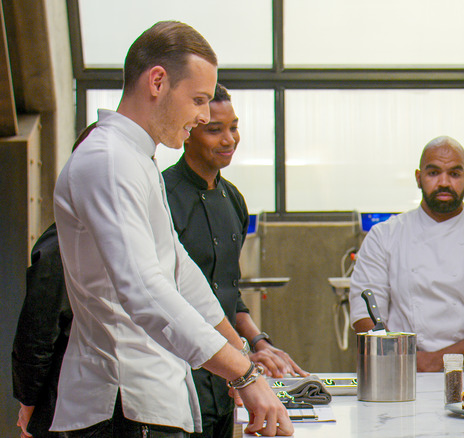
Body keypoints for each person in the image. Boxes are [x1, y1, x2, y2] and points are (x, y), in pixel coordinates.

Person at [51, 21, 291, 437]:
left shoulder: (136, 158)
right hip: (120, 405)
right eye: (198, 100)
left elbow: (179, 270)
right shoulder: (109, 160)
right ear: (158, 81)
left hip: (147, 402)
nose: (202, 115)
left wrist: (242, 354)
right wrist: (243, 375)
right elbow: (144, 290)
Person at [163, 84, 307, 438]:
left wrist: (260, 343)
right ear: (187, 131)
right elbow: (167, 298)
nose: (229, 139)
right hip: (178, 376)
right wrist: (241, 356)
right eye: (215, 130)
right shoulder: (162, 196)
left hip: (229, 380)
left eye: (234, 127)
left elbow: (228, 293)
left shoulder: (234, 201)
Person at [349, 136, 464, 372]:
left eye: (454, 174)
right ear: (418, 177)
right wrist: (403, 359)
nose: (444, 183)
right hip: (404, 370)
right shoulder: (384, 235)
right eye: (433, 173)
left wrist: (435, 361)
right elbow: (365, 314)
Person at [12, 224, 70, 438]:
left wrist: (28, 402)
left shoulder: (69, 232)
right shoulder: (158, 228)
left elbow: (39, 323)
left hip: (70, 402)